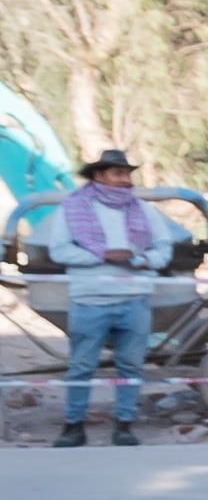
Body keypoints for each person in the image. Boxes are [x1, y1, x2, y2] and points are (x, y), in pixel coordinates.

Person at [47, 147, 164, 448]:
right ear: (99, 175)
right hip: (90, 300)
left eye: (127, 174)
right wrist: (102, 254)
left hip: (134, 299)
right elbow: (58, 250)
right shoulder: (72, 208)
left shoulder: (144, 210)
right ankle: (73, 428)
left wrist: (138, 260)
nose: (125, 180)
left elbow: (164, 250)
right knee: (82, 366)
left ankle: (124, 426)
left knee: (131, 367)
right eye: (118, 173)